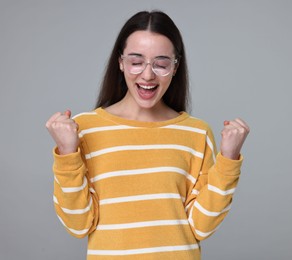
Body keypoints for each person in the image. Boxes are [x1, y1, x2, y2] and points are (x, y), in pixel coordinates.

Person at [46, 10, 249, 259]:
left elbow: (201, 226)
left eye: (161, 64)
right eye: (136, 61)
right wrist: (68, 154)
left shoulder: (196, 133)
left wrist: (229, 160)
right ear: (120, 62)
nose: (148, 75)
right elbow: (78, 225)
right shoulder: (84, 129)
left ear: (175, 67)